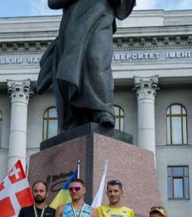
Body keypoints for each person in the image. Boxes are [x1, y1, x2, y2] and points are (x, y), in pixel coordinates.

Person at [37, 0, 136, 130]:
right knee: (72, 67)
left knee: (97, 58)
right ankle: (76, 117)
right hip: (74, 24)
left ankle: (102, 109)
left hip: (101, 15)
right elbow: (53, 2)